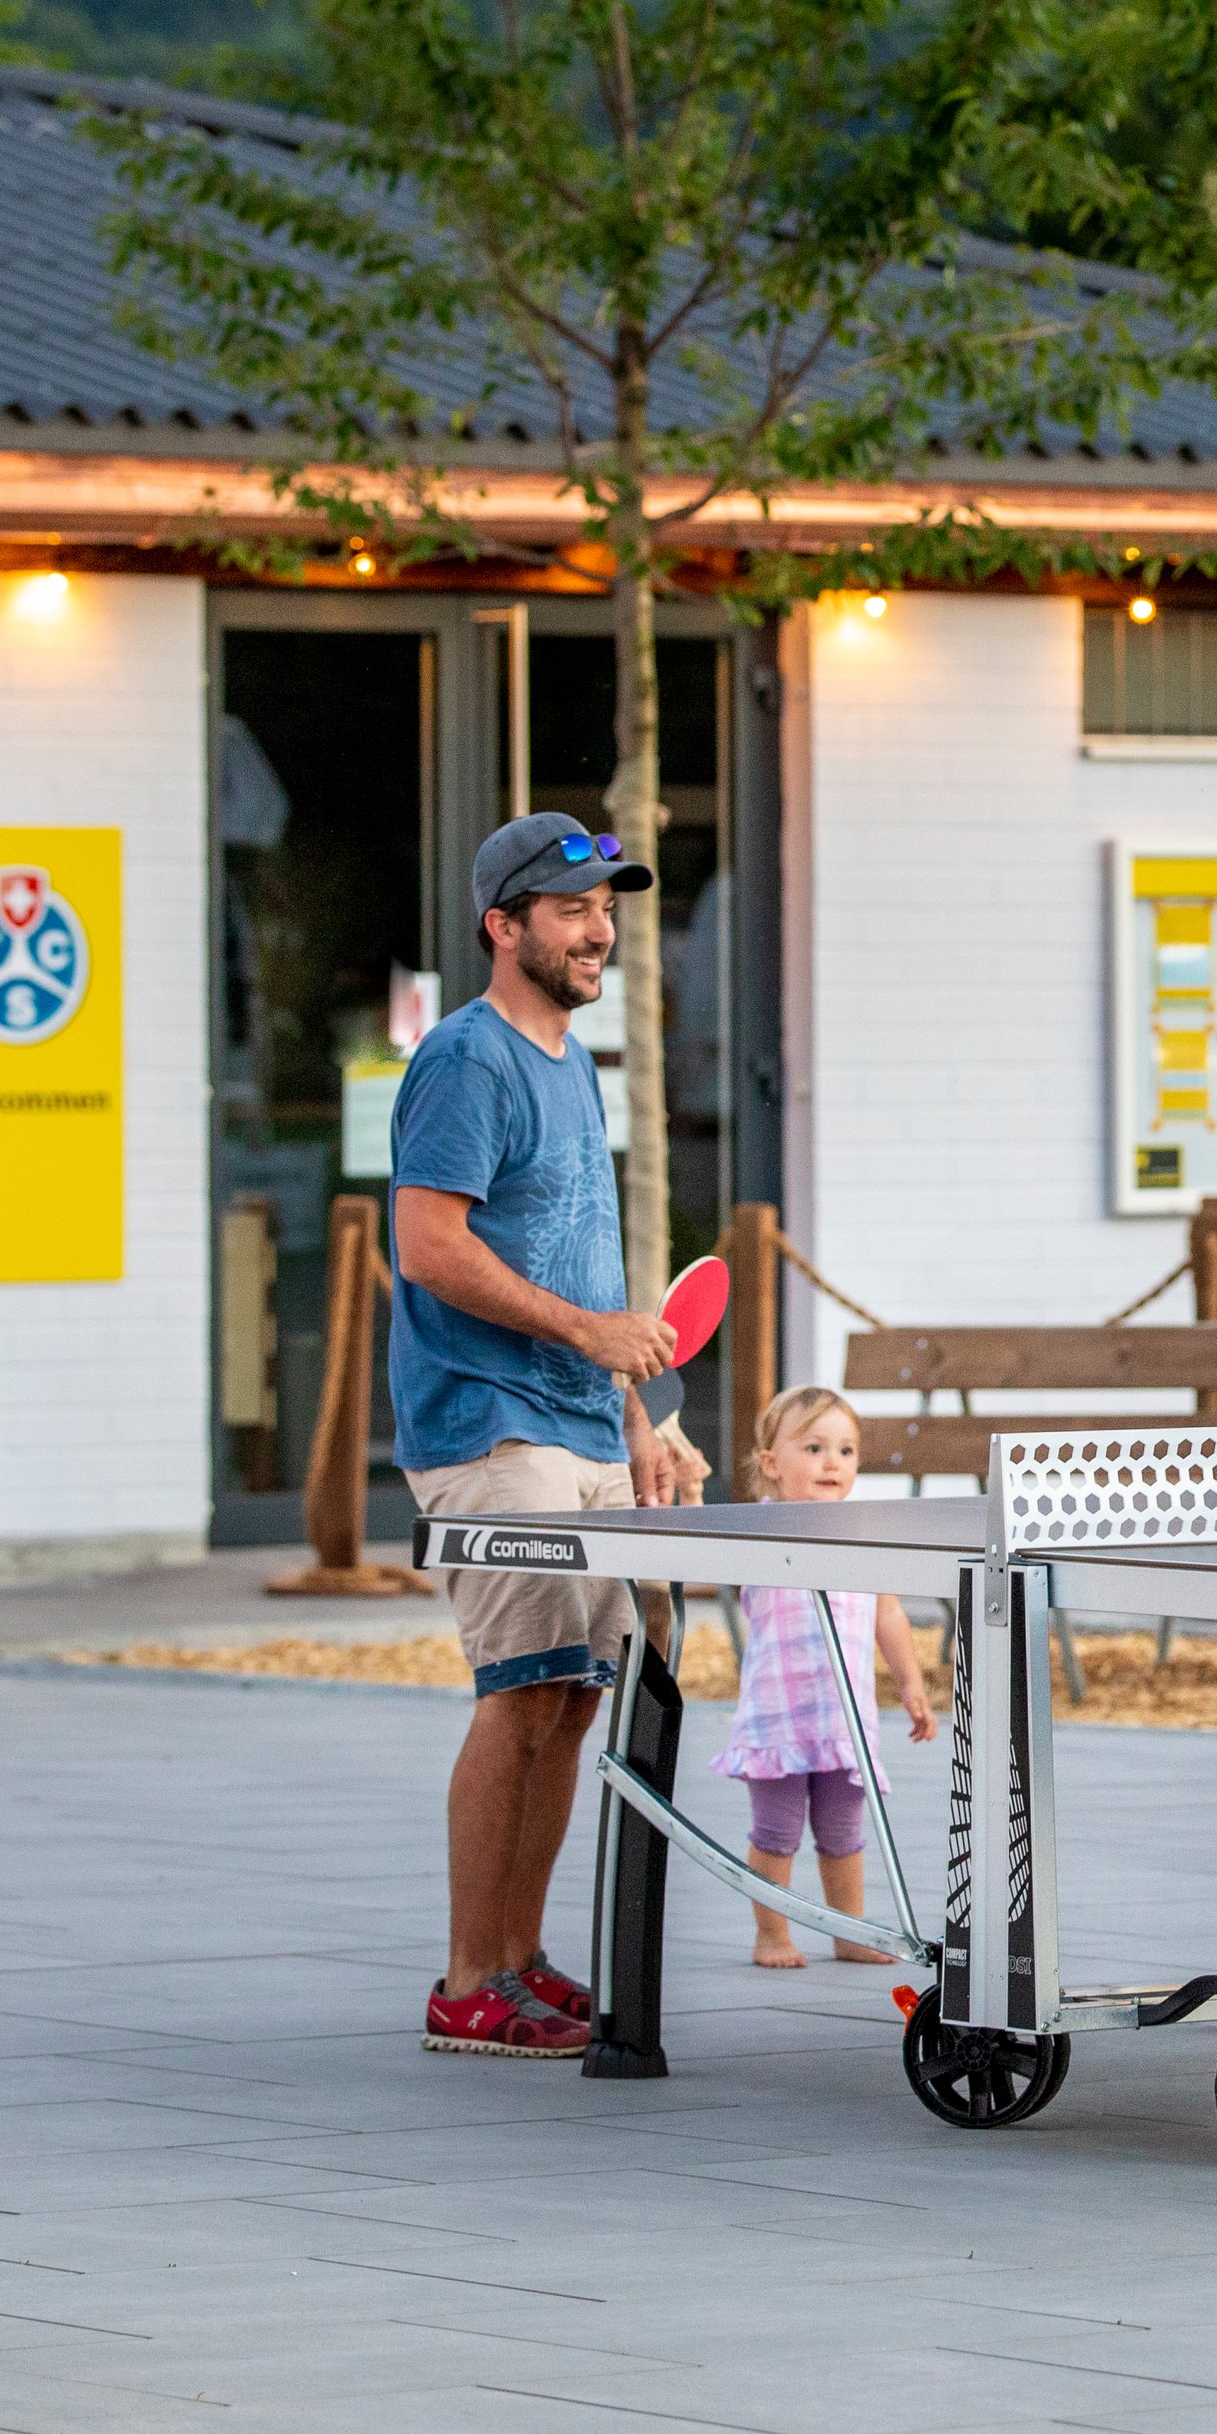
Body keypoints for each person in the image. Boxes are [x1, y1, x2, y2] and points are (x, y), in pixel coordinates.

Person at [391, 810, 690, 2059]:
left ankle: (517, 1960)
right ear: (501, 924)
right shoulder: (466, 1061)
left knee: (572, 1698)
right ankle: (468, 1981)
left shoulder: (572, 1062)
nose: (599, 929)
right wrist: (585, 1340)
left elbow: (588, 1264)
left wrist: (643, 1417)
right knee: (517, 1698)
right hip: (487, 1424)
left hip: (579, 1424)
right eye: (571, 909)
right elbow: (429, 1245)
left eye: (607, 907)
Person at [716, 1388, 938, 1968]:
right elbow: (707, 1552)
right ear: (771, 1464)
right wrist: (691, 1494)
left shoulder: (863, 1533)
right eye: (813, 1448)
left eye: (846, 1450)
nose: (832, 1462)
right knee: (777, 1832)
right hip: (779, 1718)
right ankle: (773, 1934)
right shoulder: (758, 1529)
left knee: (845, 1834)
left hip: (845, 1720)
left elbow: (886, 1610)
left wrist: (911, 1683)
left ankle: (848, 1930)